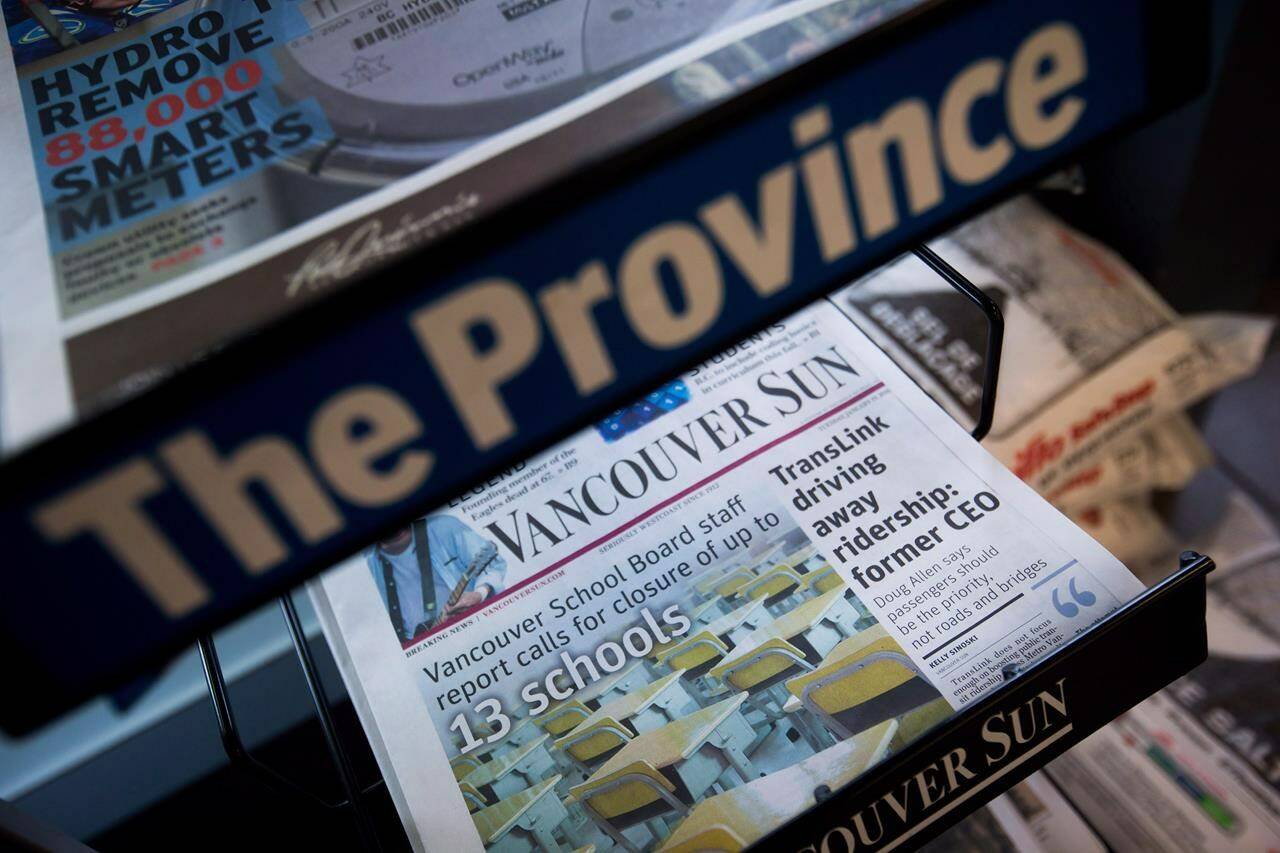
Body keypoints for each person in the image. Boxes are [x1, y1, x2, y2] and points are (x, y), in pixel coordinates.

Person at [367, 514, 506, 642]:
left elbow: (494, 565)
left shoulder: (444, 526)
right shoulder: (365, 565)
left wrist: (480, 593)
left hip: (474, 633)